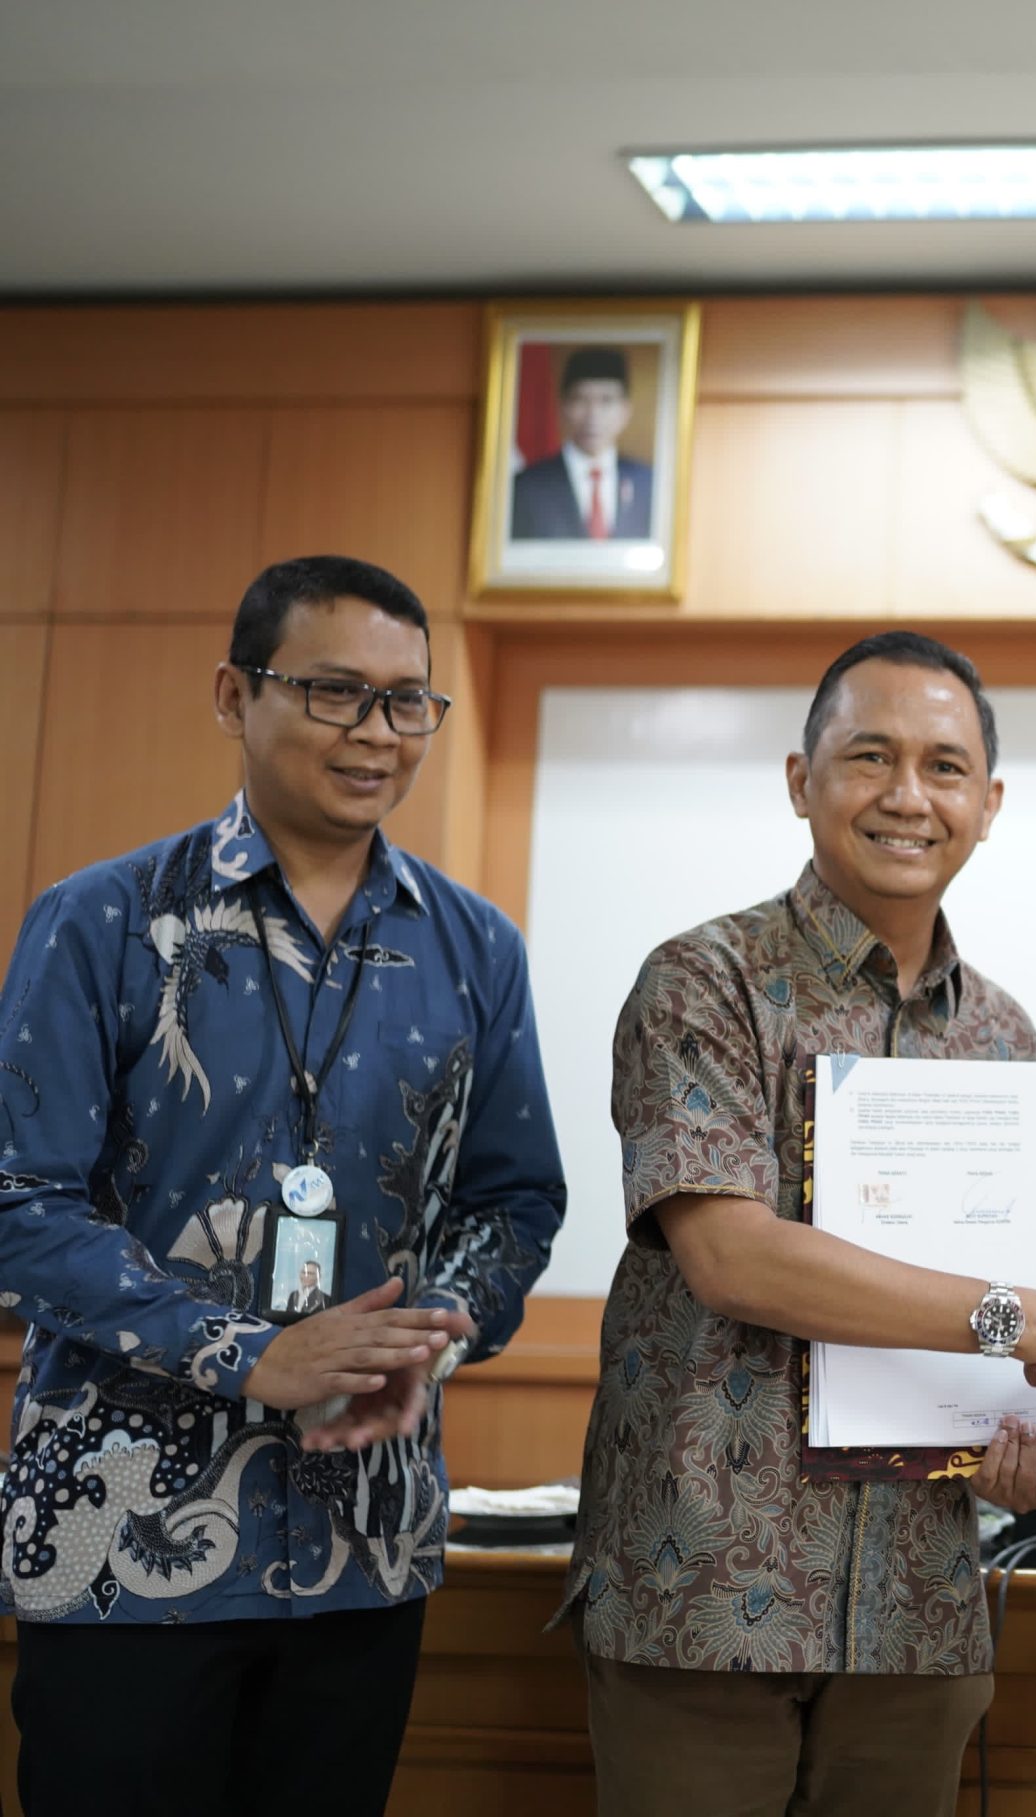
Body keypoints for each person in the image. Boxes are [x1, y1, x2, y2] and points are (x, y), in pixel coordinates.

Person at [560, 631, 1036, 1817]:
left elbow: (1019, 1305)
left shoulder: (1001, 1030)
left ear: (989, 803)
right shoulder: (702, 981)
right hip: (706, 1593)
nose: (909, 796)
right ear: (802, 779)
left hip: (916, 1605)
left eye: (946, 767)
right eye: (871, 756)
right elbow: (730, 1254)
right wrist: (1035, 1329)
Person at [0, 554, 568, 1817]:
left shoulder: (475, 945)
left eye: (409, 701)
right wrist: (251, 1353)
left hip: (364, 1542)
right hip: (120, 1534)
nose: (377, 734)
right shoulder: (98, 921)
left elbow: (514, 1203)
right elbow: (18, 1205)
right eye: (333, 691)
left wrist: (432, 1339)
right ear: (233, 693)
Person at [509, 346, 654, 540]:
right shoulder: (526, 487)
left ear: (625, 411)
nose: (593, 415)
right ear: (563, 407)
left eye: (606, 401)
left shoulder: (650, 484)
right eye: (581, 400)